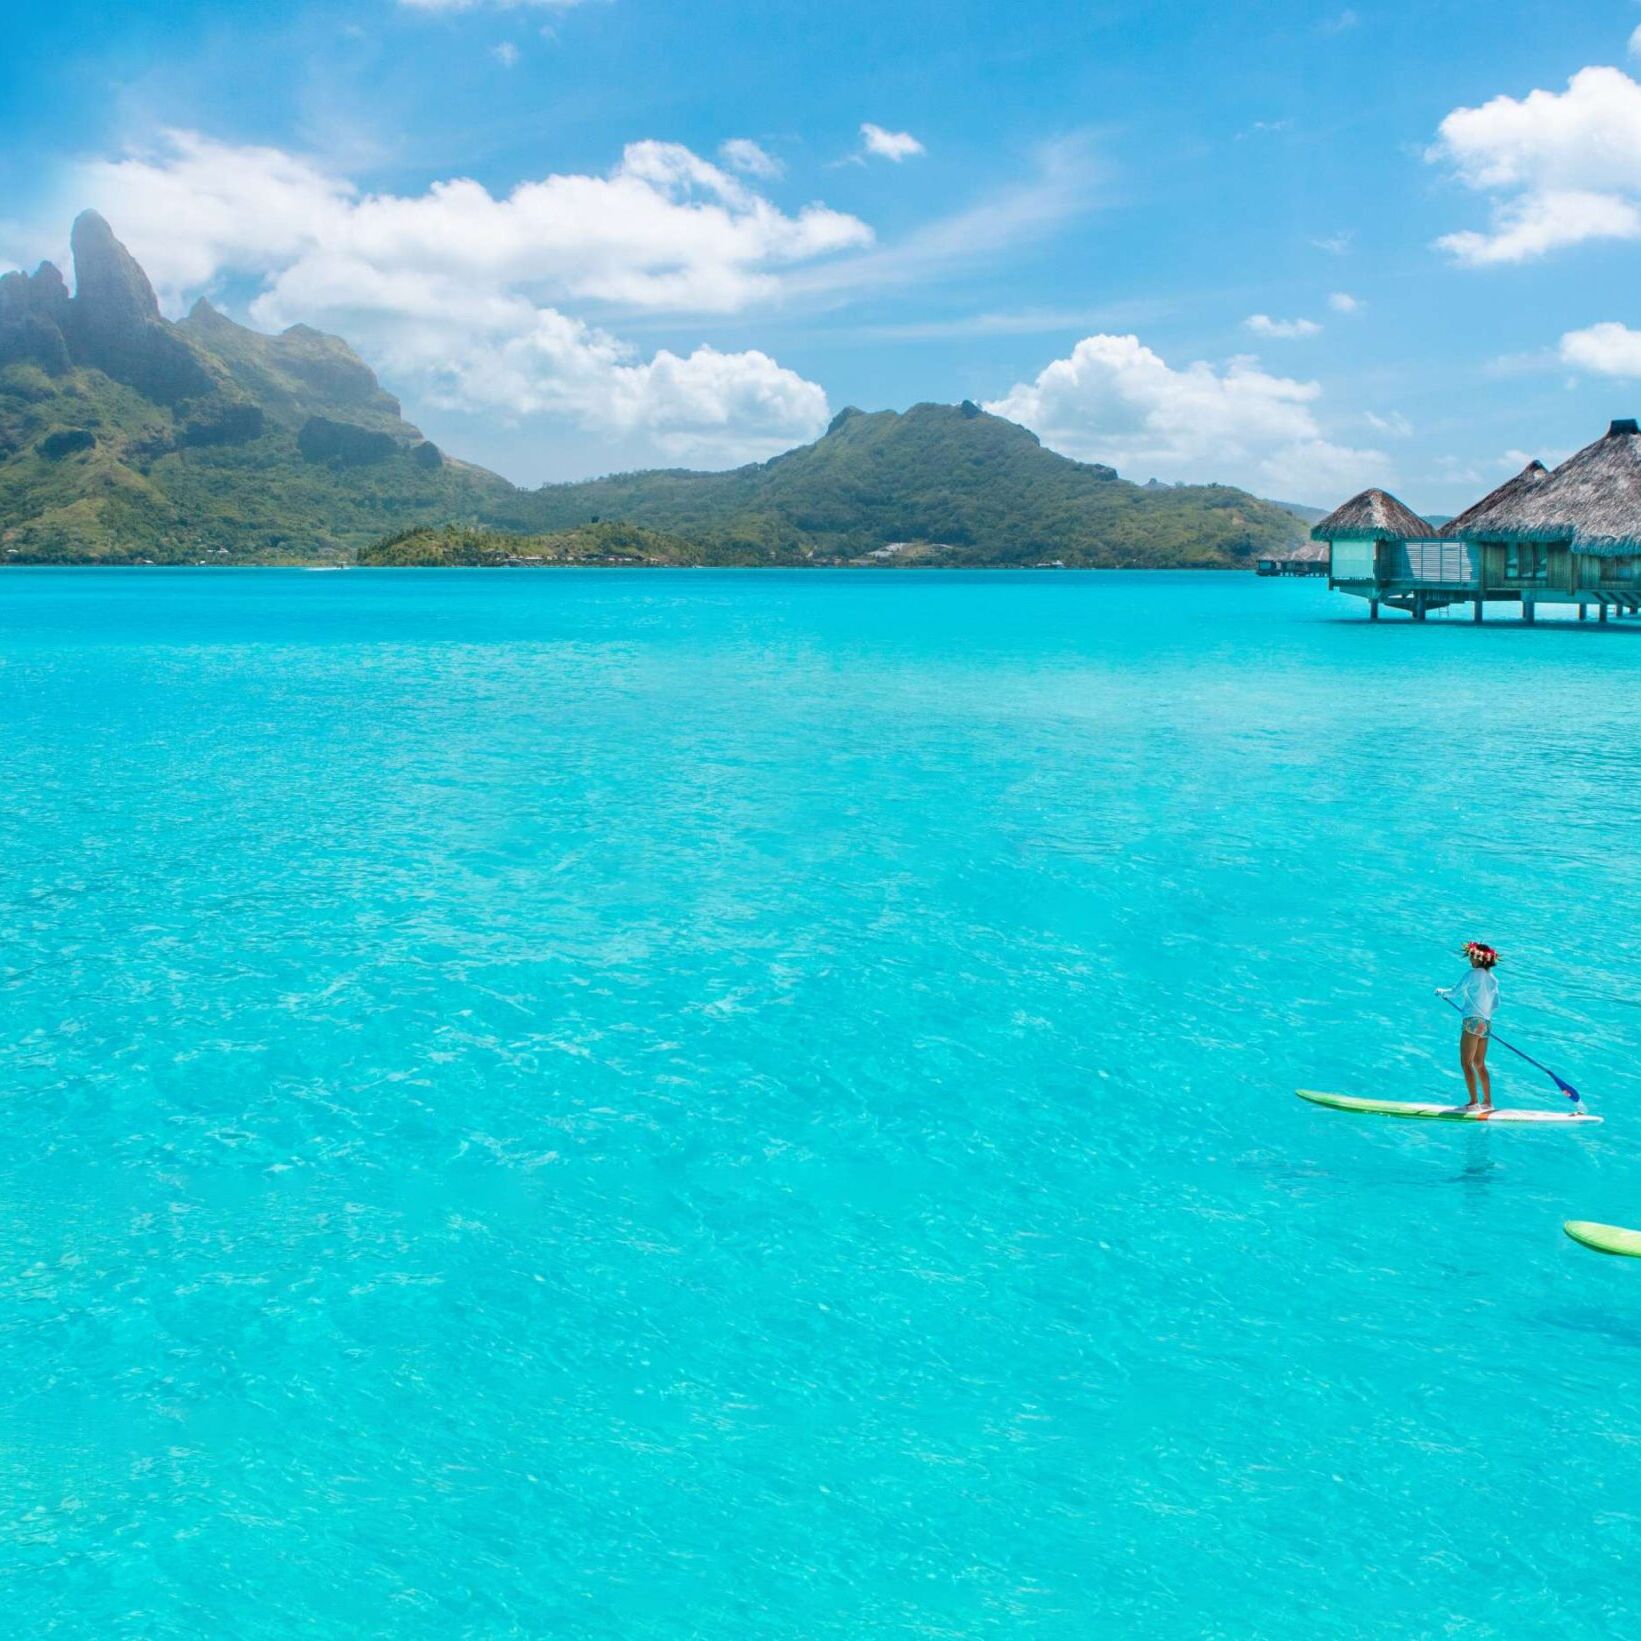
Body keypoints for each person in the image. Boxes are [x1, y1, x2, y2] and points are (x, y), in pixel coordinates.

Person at [1438, 941, 1499, 1111]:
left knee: (1466, 1063)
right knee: (1480, 1063)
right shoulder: (1493, 979)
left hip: (1472, 1022)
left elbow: (1455, 991)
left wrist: (1441, 993)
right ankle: (1488, 1102)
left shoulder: (1472, 974)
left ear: (1479, 959)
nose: (1470, 958)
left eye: (1472, 956)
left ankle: (1473, 1103)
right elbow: (1496, 1004)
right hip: (1486, 1024)